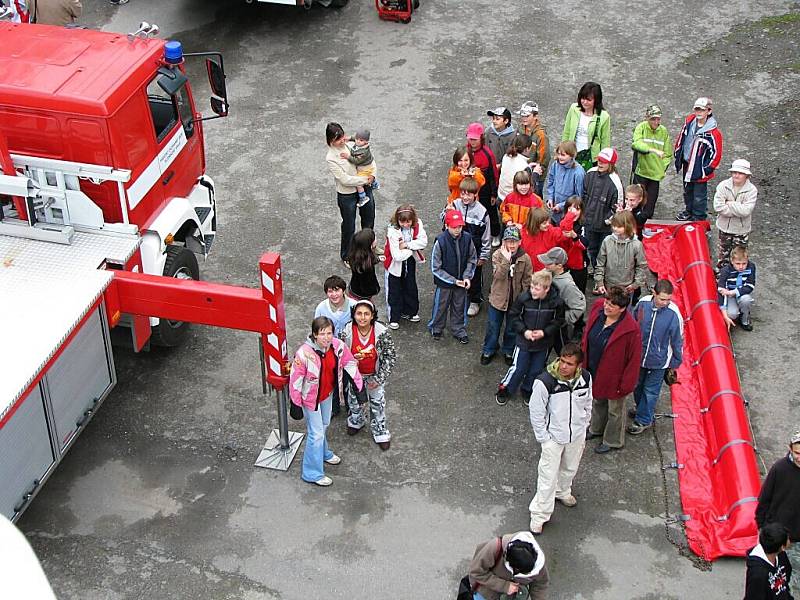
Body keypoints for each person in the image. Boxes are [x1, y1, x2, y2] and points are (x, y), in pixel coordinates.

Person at [289, 316, 363, 486]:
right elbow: (295, 381)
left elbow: (350, 363)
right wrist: (295, 403)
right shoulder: (304, 354)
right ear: (315, 334)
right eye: (322, 333)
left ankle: (323, 453)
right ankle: (311, 473)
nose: (327, 337)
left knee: (324, 425)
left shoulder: (337, 346)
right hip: (310, 400)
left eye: (329, 333)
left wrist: (360, 387)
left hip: (327, 394)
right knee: (316, 434)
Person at [528, 343, 593, 534]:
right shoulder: (544, 382)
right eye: (562, 361)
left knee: (570, 468)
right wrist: (544, 439)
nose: (564, 366)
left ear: (578, 366)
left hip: (576, 435)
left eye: (569, 364)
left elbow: (588, 402)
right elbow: (536, 411)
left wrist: (584, 426)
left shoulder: (586, 378)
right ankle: (539, 515)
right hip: (553, 438)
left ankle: (563, 491)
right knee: (547, 477)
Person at [582, 287, 642, 454]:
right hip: (595, 368)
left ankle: (613, 440)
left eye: (611, 305)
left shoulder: (631, 329)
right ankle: (596, 429)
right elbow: (587, 334)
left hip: (615, 377)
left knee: (615, 410)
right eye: (607, 302)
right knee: (597, 401)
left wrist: (627, 384)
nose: (606, 307)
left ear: (622, 309)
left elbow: (633, 360)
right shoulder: (598, 309)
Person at [496, 270, 565, 406]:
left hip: (543, 343)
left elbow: (558, 321)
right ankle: (505, 389)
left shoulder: (557, 303)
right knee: (518, 368)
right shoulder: (523, 298)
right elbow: (514, 316)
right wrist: (524, 331)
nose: (532, 291)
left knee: (536, 369)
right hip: (524, 341)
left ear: (547, 289)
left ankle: (527, 389)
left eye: (537, 289)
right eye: (532, 287)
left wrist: (544, 332)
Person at [338, 300, 396, 450]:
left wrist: (379, 378)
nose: (362, 317)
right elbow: (340, 353)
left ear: (372, 316)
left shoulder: (381, 332)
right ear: (354, 315)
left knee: (377, 404)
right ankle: (356, 421)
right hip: (354, 376)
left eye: (366, 314)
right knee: (354, 402)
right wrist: (349, 362)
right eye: (359, 313)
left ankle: (380, 431)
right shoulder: (347, 330)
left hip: (374, 375)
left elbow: (390, 357)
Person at [627, 280, 683, 435]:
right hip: (639, 356)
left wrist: (675, 362)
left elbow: (677, 340)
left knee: (651, 390)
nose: (665, 303)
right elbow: (632, 323)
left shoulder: (674, 314)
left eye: (668, 299)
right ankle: (641, 408)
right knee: (637, 385)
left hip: (659, 361)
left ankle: (644, 419)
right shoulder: (643, 304)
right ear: (654, 293)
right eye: (662, 299)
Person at [756, 429, 800, 598]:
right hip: (776, 536)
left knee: (794, 577)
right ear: (790, 448)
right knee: (772, 578)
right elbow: (764, 500)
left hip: (797, 539)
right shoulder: (779, 469)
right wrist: (761, 527)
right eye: (797, 453)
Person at [480, 226, 533, 366]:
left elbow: (527, 280)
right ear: (503, 242)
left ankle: (508, 350)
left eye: (514, 241)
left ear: (520, 242)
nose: (512, 245)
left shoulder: (525, 258)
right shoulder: (497, 255)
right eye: (508, 241)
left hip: (515, 301)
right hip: (497, 299)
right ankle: (489, 349)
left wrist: (523, 299)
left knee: (512, 328)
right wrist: (506, 260)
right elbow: (497, 275)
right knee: (493, 326)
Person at [325, 123, 376, 262]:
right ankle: (347, 255)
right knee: (349, 225)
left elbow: (369, 160)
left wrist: (373, 175)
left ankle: (369, 248)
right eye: (338, 139)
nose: (342, 140)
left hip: (365, 187)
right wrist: (365, 180)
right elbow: (344, 179)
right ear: (331, 141)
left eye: (342, 136)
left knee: (369, 218)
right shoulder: (331, 157)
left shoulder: (351, 144)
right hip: (347, 194)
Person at [443, 177, 490, 317]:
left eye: (468, 194)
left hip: (474, 251)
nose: (465, 197)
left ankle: (475, 300)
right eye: (462, 193)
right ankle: (457, 297)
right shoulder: (455, 205)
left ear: (475, 194)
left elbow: (486, 236)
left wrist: (484, 255)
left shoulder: (482, 212)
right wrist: (447, 212)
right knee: (456, 272)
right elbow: (444, 221)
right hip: (455, 249)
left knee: (474, 276)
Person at [429, 210, 477, 343]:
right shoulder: (440, 241)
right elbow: (435, 268)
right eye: (454, 227)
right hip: (445, 283)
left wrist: (467, 277)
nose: (458, 230)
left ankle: (459, 330)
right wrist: (453, 281)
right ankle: (437, 327)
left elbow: (472, 259)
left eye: (460, 226)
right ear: (447, 226)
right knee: (440, 306)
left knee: (460, 306)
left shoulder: (467, 239)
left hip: (462, 281)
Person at [674, 97, 723, 221]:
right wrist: (678, 153)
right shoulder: (689, 122)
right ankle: (688, 210)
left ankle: (699, 217)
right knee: (688, 190)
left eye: (702, 110)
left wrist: (706, 169)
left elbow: (716, 153)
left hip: (699, 168)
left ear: (709, 111)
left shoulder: (713, 133)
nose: (699, 112)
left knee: (699, 195)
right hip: (687, 163)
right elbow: (681, 137)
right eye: (697, 109)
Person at [467, 532, 549, 600]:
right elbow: (476, 572)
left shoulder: (538, 568)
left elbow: (540, 586)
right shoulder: (494, 548)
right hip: (485, 594)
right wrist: (505, 586)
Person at [384, 204, 427, 328]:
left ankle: (411, 311)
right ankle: (394, 316)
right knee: (394, 290)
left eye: (408, 222)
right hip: (394, 264)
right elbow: (396, 256)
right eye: (402, 222)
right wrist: (411, 249)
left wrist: (406, 245)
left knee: (410, 286)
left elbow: (423, 241)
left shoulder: (418, 224)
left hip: (409, 262)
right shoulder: (392, 230)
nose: (406, 225)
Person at [593, 210, 649, 299]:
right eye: (613, 225)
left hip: (627, 287)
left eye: (619, 226)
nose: (615, 228)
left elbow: (641, 266)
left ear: (628, 226)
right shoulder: (607, 241)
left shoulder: (636, 244)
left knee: (626, 310)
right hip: (609, 285)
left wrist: (636, 284)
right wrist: (599, 282)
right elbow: (600, 263)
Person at [713, 159, 757, 269]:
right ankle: (721, 278)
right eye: (734, 172)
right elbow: (718, 206)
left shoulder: (752, 190)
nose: (736, 175)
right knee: (723, 256)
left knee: (740, 257)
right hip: (724, 228)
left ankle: (738, 279)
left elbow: (746, 211)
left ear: (747, 175)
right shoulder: (723, 186)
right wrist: (738, 208)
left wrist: (729, 204)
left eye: (740, 173)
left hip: (741, 230)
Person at [538, 247, 585, 351]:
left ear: (559, 266)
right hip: (544, 323)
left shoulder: (568, 285)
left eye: (549, 263)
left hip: (559, 328)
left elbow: (579, 306)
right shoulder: (546, 273)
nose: (545, 265)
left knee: (564, 353)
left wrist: (562, 320)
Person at [630, 104, 672, 220]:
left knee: (649, 208)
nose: (656, 122)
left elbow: (668, 154)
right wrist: (652, 150)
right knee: (635, 204)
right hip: (641, 173)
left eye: (658, 119)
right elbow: (636, 144)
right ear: (647, 118)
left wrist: (661, 169)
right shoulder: (641, 128)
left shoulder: (663, 131)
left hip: (654, 176)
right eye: (653, 119)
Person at [582, 147, 620, 268]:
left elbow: (617, 207)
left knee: (603, 252)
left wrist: (606, 221)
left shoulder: (615, 183)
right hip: (588, 222)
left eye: (604, 161)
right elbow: (583, 194)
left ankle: (600, 272)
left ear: (611, 164)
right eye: (599, 160)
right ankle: (593, 268)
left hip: (604, 228)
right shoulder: (590, 173)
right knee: (590, 248)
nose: (600, 163)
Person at [561, 81, 611, 171]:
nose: (584, 102)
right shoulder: (574, 109)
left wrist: (604, 161)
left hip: (591, 158)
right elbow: (567, 131)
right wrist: (563, 151)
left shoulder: (604, 116)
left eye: (588, 100)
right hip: (572, 154)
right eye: (582, 98)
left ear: (596, 100)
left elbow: (605, 141)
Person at [466, 122, 501, 247]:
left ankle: (495, 233)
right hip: (470, 189)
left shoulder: (487, 154)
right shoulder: (466, 151)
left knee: (490, 213)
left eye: (475, 139)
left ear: (481, 138)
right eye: (470, 138)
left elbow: (493, 175)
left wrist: (493, 193)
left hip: (485, 191)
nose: (472, 142)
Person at [744, 522, 795, 600]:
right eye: (788, 539)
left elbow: (787, 575)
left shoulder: (781, 556)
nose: (789, 540)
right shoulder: (758, 574)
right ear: (781, 547)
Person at [520, 207, 576, 272]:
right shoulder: (523, 234)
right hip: (528, 271)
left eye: (548, 221)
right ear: (535, 223)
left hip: (546, 272)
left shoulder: (550, 231)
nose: (548, 224)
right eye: (544, 223)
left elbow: (565, 232)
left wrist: (570, 216)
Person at [545, 140, 585, 225]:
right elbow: (551, 182)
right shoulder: (555, 165)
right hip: (555, 211)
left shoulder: (578, 172)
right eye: (558, 154)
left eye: (563, 155)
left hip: (568, 213)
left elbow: (578, 197)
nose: (560, 157)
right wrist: (550, 198)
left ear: (572, 155)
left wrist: (561, 206)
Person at [717, 245, 756, 331]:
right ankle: (734, 314)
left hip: (740, 293)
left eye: (744, 263)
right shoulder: (725, 271)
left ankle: (744, 319)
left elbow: (750, 286)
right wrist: (724, 314)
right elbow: (721, 291)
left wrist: (734, 292)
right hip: (729, 296)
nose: (741, 267)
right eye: (738, 264)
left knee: (747, 300)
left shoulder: (751, 267)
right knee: (732, 314)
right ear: (732, 261)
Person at [517, 100, 550, 196]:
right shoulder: (521, 129)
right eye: (522, 116)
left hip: (535, 176)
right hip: (521, 172)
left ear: (535, 116)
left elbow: (544, 158)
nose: (524, 118)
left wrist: (536, 173)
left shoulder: (541, 135)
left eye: (527, 116)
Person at [339, 129, 379, 208]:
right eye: (357, 139)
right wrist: (349, 138)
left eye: (361, 140)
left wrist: (348, 157)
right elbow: (355, 138)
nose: (357, 141)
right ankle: (374, 183)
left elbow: (356, 161)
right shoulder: (360, 143)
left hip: (365, 168)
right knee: (369, 177)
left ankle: (363, 197)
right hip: (368, 166)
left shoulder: (363, 152)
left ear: (366, 142)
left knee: (358, 184)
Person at [497, 134, 534, 203]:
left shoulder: (506, 156)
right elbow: (529, 187)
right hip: (512, 201)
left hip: (500, 196)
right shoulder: (525, 167)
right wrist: (535, 174)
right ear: (527, 149)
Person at [563, 196, 589, 292]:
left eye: (577, 209)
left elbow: (585, 244)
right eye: (570, 208)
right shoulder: (562, 223)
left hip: (579, 266)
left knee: (579, 291)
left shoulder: (584, 225)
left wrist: (574, 236)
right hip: (565, 264)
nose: (573, 212)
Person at [346, 228, 380, 301]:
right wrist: (376, 290)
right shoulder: (367, 266)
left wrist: (378, 259)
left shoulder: (354, 255)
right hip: (363, 295)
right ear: (369, 245)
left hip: (354, 288)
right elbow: (369, 282)